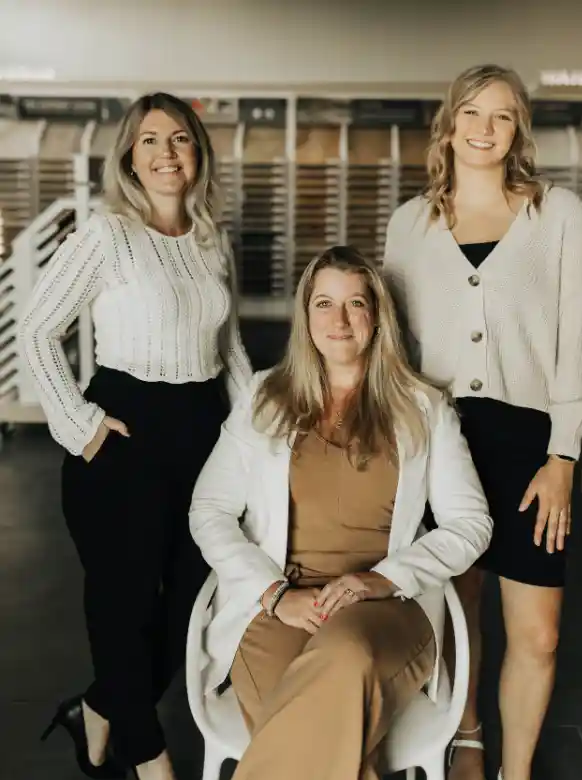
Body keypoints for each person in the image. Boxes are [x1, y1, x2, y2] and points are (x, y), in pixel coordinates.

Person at [187, 246, 493, 780]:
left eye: (356, 303)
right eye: (324, 303)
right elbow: (209, 509)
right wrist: (272, 592)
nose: (340, 319)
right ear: (305, 315)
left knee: (346, 657)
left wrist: (380, 579)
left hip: (385, 605)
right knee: (331, 739)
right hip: (278, 605)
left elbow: (471, 524)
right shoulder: (264, 397)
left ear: (377, 317)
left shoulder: (424, 406)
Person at [383, 63, 582, 780]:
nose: (484, 129)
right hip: (440, 441)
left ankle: (517, 772)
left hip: (530, 446)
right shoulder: (409, 225)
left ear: (519, 130)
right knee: (461, 608)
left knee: (537, 634)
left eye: (502, 115)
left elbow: (580, 334)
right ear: (448, 124)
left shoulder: (557, 213)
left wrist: (564, 455)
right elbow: (394, 347)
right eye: (472, 113)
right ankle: (470, 734)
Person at [21, 93, 252, 780]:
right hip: (123, 431)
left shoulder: (212, 239)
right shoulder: (107, 234)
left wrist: (254, 436)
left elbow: (229, 345)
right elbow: (35, 330)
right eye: (149, 140)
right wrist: (82, 426)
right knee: (123, 610)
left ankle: (96, 709)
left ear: (198, 155)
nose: (165, 154)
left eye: (179, 140)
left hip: (203, 431)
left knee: (188, 606)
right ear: (129, 155)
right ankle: (149, 760)